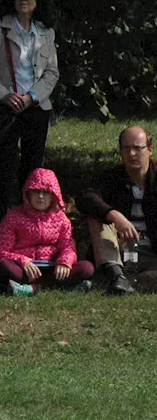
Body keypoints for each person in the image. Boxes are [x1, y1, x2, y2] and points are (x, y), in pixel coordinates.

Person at [0, 0, 60, 266]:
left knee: (33, 180)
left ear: (38, 1)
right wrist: (5, 95)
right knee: (0, 179)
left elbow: (52, 73)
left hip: (36, 110)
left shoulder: (46, 33)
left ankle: (33, 252)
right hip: (5, 110)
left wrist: (32, 97)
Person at [78, 125, 157, 295]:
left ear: (150, 150)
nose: (132, 154)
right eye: (126, 148)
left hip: (152, 252)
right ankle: (118, 277)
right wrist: (114, 215)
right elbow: (85, 197)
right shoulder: (112, 177)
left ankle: (138, 280)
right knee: (98, 217)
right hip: (120, 251)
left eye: (138, 148)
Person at [0, 167, 93, 295]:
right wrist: (22, 261)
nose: (40, 196)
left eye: (45, 192)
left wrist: (64, 262)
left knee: (87, 268)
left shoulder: (61, 219)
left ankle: (27, 288)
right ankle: (61, 286)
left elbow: (67, 245)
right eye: (36, 191)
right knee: (2, 265)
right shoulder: (13, 216)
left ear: (53, 196)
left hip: (52, 267)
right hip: (24, 269)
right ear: (28, 193)